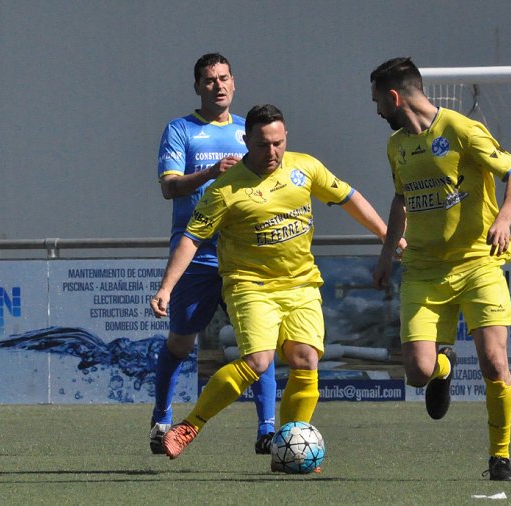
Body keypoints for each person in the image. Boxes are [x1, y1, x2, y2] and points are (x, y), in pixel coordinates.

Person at [151, 104, 395, 468]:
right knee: (257, 360)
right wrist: (166, 287)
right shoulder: (224, 190)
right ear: (246, 140)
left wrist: (387, 237)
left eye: (278, 143)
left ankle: (287, 446)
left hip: (301, 285)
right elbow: (190, 238)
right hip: (250, 285)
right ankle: (190, 426)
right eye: (263, 145)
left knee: (306, 359)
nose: (272, 152)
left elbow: (349, 197)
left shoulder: (305, 167)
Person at [370, 57, 511, 481]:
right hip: (423, 269)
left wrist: (503, 220)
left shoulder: (461, 129)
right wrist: (387, 253)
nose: (377, 113)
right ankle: (444, 366)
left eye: (378, 103)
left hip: (479, 263)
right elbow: (401, 199)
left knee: (495, 362)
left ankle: (500, 458)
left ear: (393, 97)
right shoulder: (396, 146)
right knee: (418, 373)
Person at [152, 53, 277, 455]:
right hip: (197, 255)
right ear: (198, 87)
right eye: (209, 80)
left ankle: (268, 429)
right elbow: (169, 188)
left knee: (257, 345)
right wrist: (209, 173)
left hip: (243, 255)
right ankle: (162, 418)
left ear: (234, 83)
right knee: (180, 345)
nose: (218, 85)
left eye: (224, 78)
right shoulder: (180, 131)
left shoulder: (251, 131)